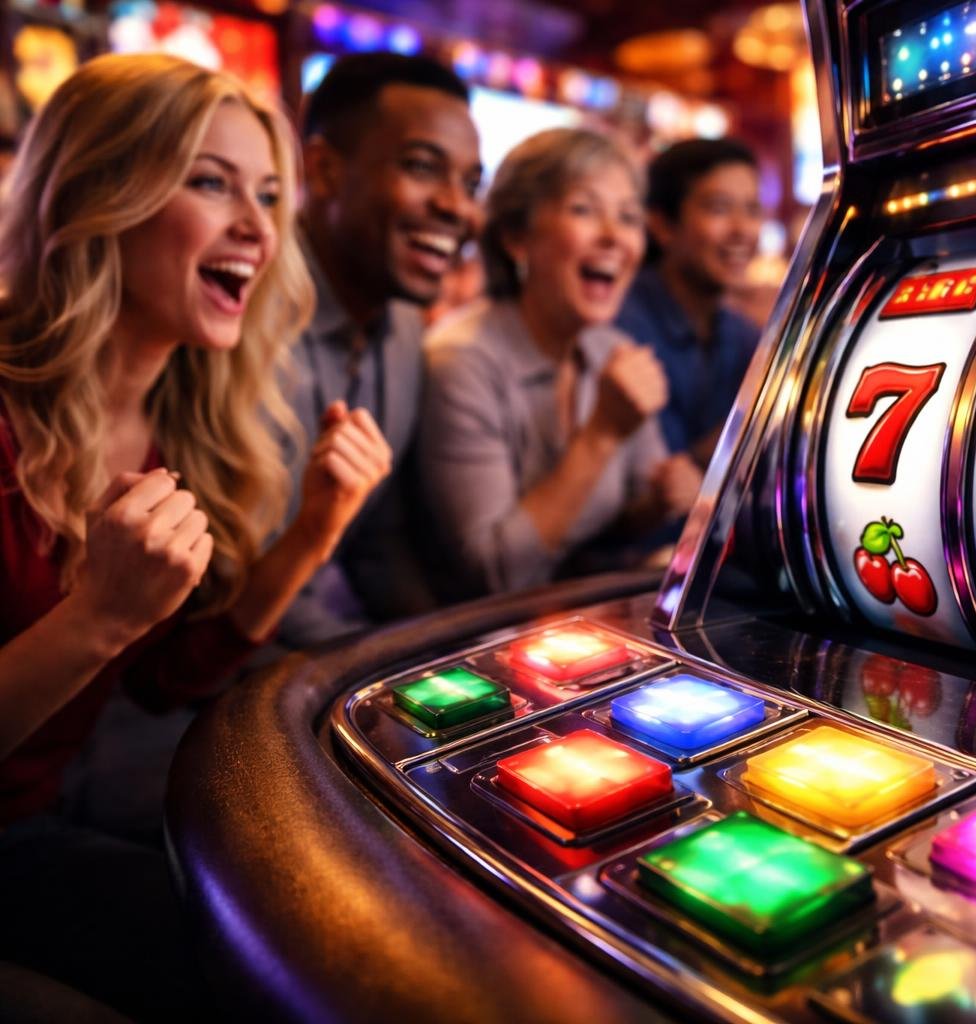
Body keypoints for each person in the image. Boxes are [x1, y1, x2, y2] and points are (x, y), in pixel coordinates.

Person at [0, 54, 390, 1016]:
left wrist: (310, 535)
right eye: (212, 183)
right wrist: (96, 616)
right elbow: (109, 649)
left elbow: (158, 681)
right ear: (99, 195)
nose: (260, 229)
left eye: (267, 193)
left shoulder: (180, 426)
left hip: (36, 819)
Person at [419, 127, 701, 598]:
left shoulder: (608, 347)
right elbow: (494, 573)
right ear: (516, 236)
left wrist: (661, 501)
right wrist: (602, 435)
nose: (614, 236)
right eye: (584, 210)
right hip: (460, 643)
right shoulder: (462, 361)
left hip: (571, 627)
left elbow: (623, 516)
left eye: (628, 217)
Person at [279, 52, 481, 645]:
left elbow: (379, 540)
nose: (456, 206)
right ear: (322, 170)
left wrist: (447, 649)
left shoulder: (401, 319)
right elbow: (237, 591)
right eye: (423, 167)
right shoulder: (238, 316)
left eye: (471, 183)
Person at [616, 137, 765, 468]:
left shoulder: (742, 333)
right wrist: (758, 419)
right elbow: (657, 487)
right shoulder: (622, 328)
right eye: (720, 209)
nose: (742, 230)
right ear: (662, 224)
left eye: (753, 210)